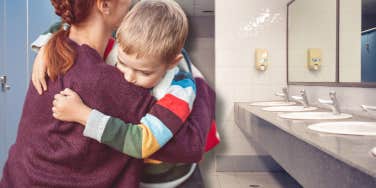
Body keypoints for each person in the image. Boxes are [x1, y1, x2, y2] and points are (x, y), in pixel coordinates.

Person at [0, 0, 214, 187]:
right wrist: (198, 83)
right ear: (104, 5)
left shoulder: (56, 49)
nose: (131, 3)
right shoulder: (106, 82)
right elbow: (191, 145)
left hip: (16, 178)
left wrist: (48, 40)